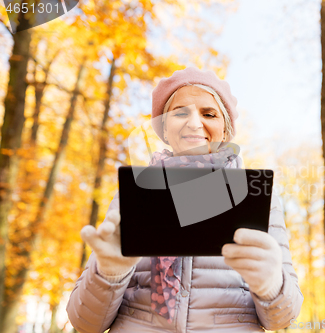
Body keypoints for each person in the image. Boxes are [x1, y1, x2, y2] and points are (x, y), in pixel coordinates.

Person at [66, 67, 303, 333]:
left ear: (225, 131)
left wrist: (272, 287)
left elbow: (284, 320)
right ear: (165, 130)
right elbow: (84, 323)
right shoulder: (133, 196)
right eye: (180, 112)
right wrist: (108, 274)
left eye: (209, 114)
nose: (193, 122)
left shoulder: (257, 196)